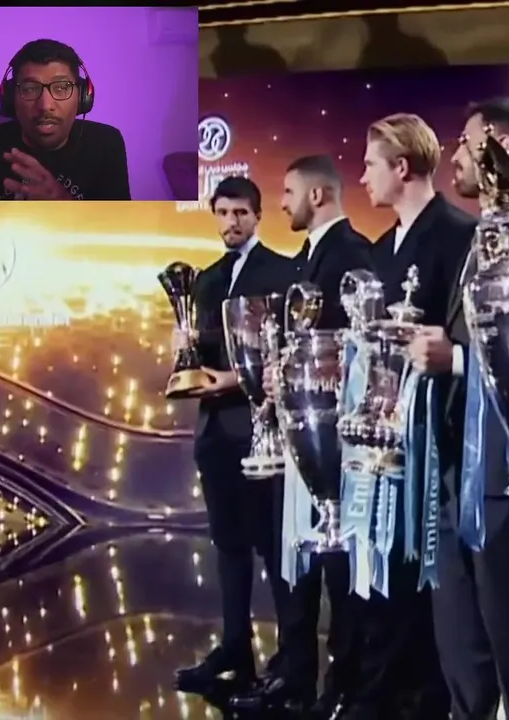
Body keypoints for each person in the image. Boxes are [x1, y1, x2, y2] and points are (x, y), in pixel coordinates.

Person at [407, 97, 509, 720]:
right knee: (458, 624)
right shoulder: (479, 236)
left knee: (508, 620)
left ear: (503, 149)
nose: (456, 157)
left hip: (503, 460)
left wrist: (457, 360)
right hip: (453, 456)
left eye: (467, 144)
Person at [235, 156, 373, 718]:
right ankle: (297, 676)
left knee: (337, 566)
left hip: (332, 443)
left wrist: (297, 374)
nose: (282, 203)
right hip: (301, 436)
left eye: (289, 192)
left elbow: (355, 354)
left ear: (317, 195)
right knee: (299, 558)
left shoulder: (352, 256)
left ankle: (343, 686)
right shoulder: (307, 259)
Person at [350, 112, 474, 719]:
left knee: (435, 587)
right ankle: (388, 694)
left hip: (443, 443)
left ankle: (430, 699)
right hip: (388, 442)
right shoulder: (380, 250)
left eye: (370, 164)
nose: (362, 177)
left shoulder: (460, 235)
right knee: (390, 575)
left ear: (401, 167)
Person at [173, 176, 293, 701]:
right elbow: (197, 359)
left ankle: (291, 657)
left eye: (240, 212)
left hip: (261, 431)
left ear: (258, 215)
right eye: (223, 212)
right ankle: (234, 648)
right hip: (214, 431)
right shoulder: (205, 281)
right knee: (228, 545)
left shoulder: (282, 272)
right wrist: (183, 349)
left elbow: (285, 354)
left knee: (273, 547)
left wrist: (231, 381)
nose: (231, 222)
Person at [0, 38, 130, 201]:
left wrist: (63, 204)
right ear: (11, 99)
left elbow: (119, 229)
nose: (45, 105)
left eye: (61, 88)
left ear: (83, 96)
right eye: (30, 89)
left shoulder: (105, 144)